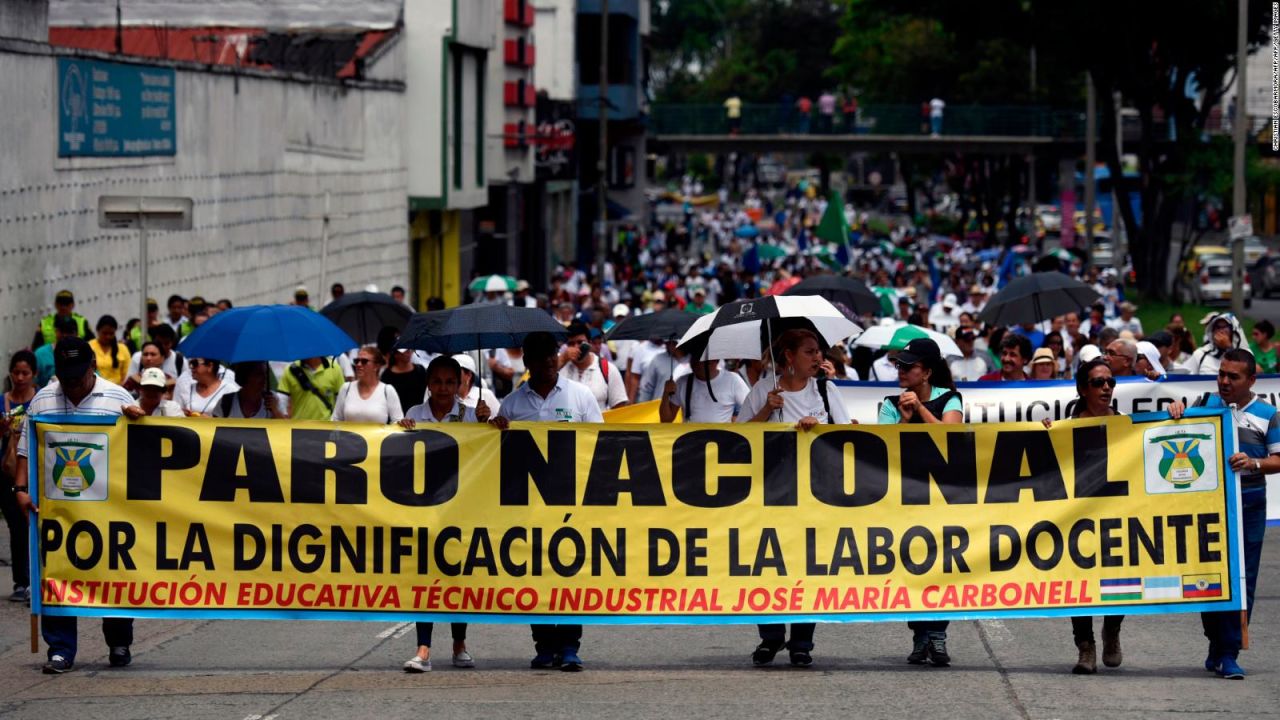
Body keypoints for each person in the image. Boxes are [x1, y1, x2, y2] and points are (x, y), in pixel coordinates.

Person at [13, 338, 138, 673]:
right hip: (59, 509)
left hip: (109, 507)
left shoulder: (117, 397)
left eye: (78, 377)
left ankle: (118, 640)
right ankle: (60, 649)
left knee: (113, 573)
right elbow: (26, 448)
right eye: (66, 378)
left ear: (92, 368)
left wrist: (140, 418)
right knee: (57, 574)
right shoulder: (42, 401)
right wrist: (21, 489)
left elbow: (140, 447)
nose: (72, 385)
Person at [737, 329, 851, 668]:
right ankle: (771, 637)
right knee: (767, 564)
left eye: (819, 351)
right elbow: (738, 438)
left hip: (815, 494)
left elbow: (848, 435)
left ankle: (802, 640)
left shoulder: (827, 391)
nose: (817, 358)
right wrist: (764, 412)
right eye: (809, 352)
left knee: (808, 565)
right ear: (789, 356)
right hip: (770, 493)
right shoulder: (763, 390)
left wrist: (820, 426)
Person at [490, 332, 602, 671]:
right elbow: (498, 454)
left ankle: (569, 645)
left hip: (571, 500)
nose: (549, 361)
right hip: (528, 505)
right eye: (540, 356)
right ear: (527, 362)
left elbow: (600, 443)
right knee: (535, 573)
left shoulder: (580, 396)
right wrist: (492, 427)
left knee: (569, 572)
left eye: (552, 354)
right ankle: (543, 644)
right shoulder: (512, 404)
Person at [1169, 349, 1275, 679]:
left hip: (1249, 507)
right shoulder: (1205, 403)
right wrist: (1176, 412)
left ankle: (1229, 651)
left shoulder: (1268, 414)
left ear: (1251, 380)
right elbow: (1178, 431)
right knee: (1208, 578)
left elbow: (1279, 459)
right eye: (1222, 374)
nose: (1224, 381)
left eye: (1233, 376)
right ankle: (1215, 641)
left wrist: (1253, 463)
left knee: (1244, 581)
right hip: (1208, 511)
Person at [397, 356, 490, 672]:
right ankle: (423, 649)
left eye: (450, 382)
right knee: (423, 577)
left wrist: (489, 424)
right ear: (428, 383)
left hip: (460, 508)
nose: (443, 388)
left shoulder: (469, 415)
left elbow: (487, 452)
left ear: (460, 383)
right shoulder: (414, 414)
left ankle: (459, 644)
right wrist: (399, 430)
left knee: (457, 577)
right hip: (422, 509)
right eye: (437, 381)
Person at [878, 338, 962, 666]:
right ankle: (919, 634)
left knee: (942, 565)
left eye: (908, 366)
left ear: (926, 373)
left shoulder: (950, 399)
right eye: (899, 365)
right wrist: (903, 418)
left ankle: (938, 635)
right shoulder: (889, 403)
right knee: (913, 565)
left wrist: (922, 410)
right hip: (907, 497)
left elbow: (951, 438)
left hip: (942, 497)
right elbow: (883, 450)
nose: (900, 371)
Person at [1043, 360, 1123, 674]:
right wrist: (1047, 436)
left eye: (1110, 382)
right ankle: (1085, 646)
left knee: (1120, 577)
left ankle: (1113, 629)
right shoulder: (1066, 427)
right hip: (1079, 516)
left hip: (1117, 514)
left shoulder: (1127, 424)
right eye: (1098, 382)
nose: (1106, 387)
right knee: (1079, 579)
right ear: (1082, 389)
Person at [1, 351, 36, 603]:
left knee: (33, 526)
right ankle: (21, 581)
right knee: (15, 526)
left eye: (25, 372)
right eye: (16, 372)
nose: (20, 377)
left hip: (34, 470)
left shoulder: (40, 400)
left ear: (33, 374)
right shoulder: (3, 401)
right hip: (6, 471)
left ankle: (38, 578)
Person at [558, 323, 627, 412]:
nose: (576, 347)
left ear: (589, 343)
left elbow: (619, 405)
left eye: (580, 342)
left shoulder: (608, 369)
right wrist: (562, 360)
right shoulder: (561, 367)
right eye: (571, 344)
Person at [660, 357, 749, 423]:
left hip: (722, 443)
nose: (696, 363)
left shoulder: (733, 380)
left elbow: (752, 407)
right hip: (690, 444)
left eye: (703, 359)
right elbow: (666, 420)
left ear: (716, 361)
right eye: (694, 358)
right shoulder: (682, 382)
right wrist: (666, 393)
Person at [331, 347, 404, 424]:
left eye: (364, 361)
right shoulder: (346, 388)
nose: (358, 364)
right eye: (356, 361)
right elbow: (336, 419)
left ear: (376, 366)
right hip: (347, 436)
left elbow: (397, 422)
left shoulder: (388, 390)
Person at [211, 362, 287, 419]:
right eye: (258, 374)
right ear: (245, 376)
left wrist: (275, 410)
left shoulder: (273, 399)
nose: (264, 378)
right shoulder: (227, 401)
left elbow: (285, 429)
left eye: (265, 373)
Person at [279, 357, 344, 421]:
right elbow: (281, 400)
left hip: (327, 426)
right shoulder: (290, 369)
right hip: (299, 427)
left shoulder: (334, 368)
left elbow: (341, 401)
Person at [34, 316, 79, 387]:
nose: (65, 335)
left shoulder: (83, 352)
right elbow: (33, 383)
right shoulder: (40, 354)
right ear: (56, 331)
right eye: (62, 331)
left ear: (77, 334)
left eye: (69, 332)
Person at [453, 354, 501, 418]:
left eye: (456, 371)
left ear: (469, 375)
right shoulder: (447, 398)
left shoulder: (486, 395)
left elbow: (501, 419)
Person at [89, 315, 131, 386]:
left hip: (117, 390)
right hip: (94, 388)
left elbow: (127, 374)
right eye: (105, 333)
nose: (108, 336)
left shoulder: (123, 349)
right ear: (97, 330)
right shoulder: (89, 346)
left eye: (111, 333)